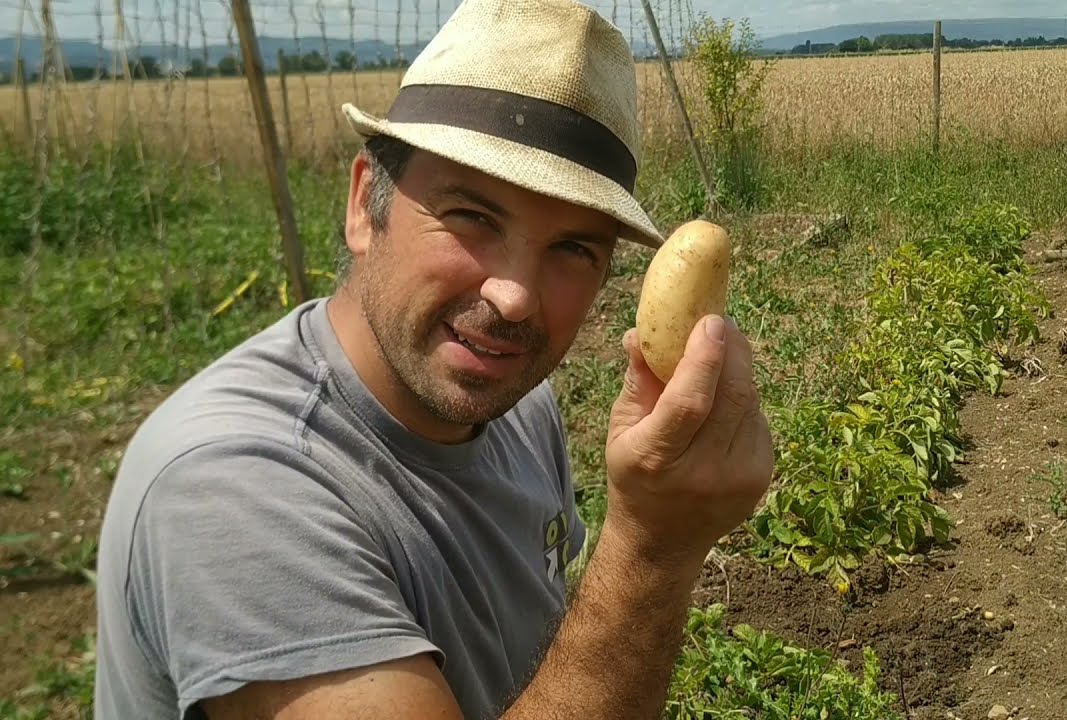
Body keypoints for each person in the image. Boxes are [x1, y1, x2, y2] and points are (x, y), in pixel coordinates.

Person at [91, 0, 774, 718]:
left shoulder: (518, 409)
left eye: (574, 248)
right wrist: (651, 549)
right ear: (364, 206)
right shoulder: (231, 487)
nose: (514, 297)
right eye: (471, 217)